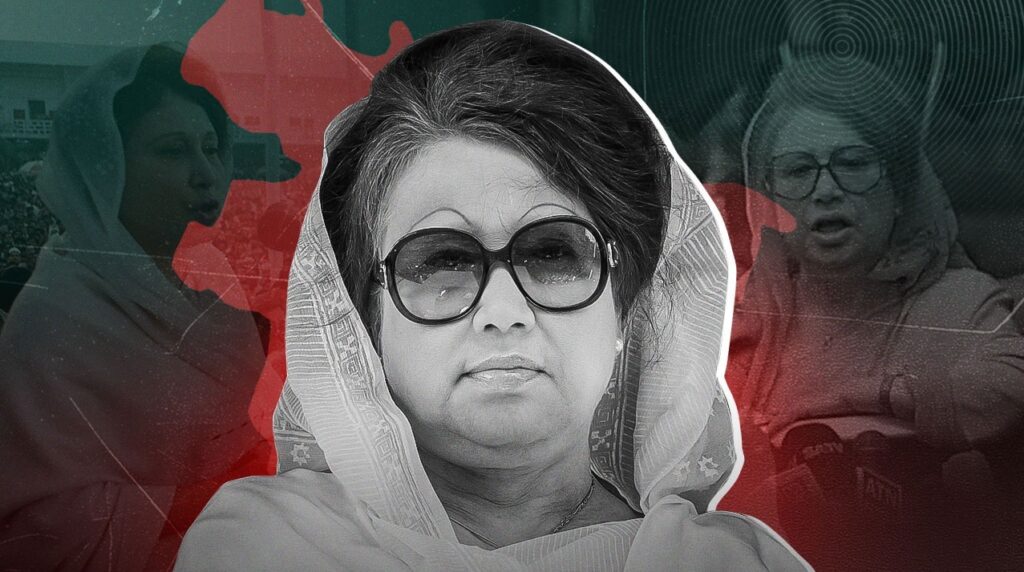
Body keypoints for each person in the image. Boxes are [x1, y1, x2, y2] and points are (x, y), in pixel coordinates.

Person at [175, 21, 806, 570]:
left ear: (629, 305)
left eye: (554, 254)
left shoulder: (726, 564)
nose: (504, 314)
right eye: (441, 261)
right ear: (361, 321)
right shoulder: (263, 549)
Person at [723, 55, 1024, 568]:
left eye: (854, 163)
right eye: (798, 170)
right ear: (768, 200)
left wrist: (881, 396)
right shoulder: (740, 317)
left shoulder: (957, 301)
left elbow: (1013, 381)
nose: (826, 190)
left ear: (901, 189)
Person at [0, 45, 271, 569]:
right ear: (106, 171)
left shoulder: (213, 277)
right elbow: (36, 534)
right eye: (173, 151)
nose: (205, 172)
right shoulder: (52, 320)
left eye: (211, 147)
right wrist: (234, 491)